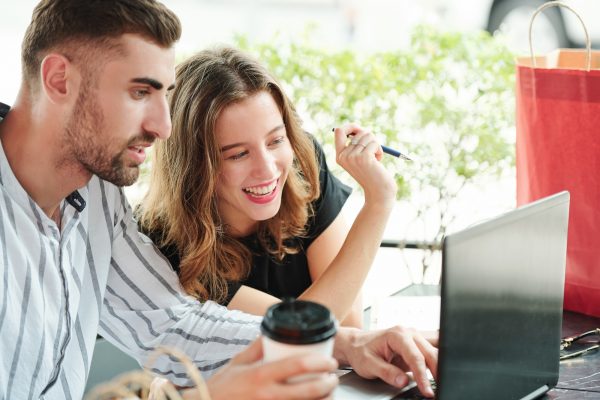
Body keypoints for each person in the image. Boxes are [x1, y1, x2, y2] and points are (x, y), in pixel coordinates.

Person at [0, 1, 437, 399]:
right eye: (139, 93)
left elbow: (171, 322)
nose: (164, 127)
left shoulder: (96, 194)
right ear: (59, 79)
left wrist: (346, 342)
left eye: (163, 94)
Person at [138, 47, 397, 328]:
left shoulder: (302, 164)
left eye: (275, 141)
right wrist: (378, 203)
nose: (268, 169)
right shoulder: (165, 243)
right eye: (237, 154)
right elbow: (307, 329)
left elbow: (348, 322)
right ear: (193, 166)